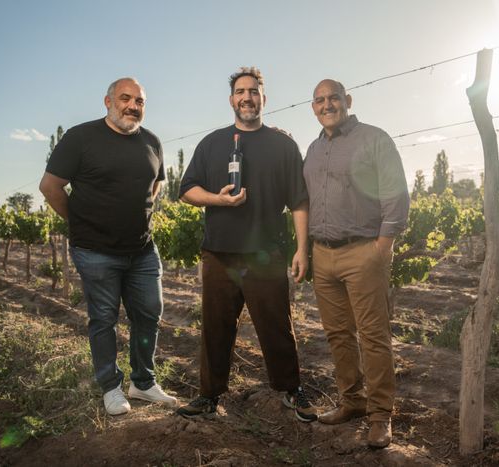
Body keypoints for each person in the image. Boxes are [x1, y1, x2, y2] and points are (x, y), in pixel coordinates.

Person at [176, 67, 316, 423]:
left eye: (253, 91)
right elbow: (187, 190)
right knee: (215, 327)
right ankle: (209, 395)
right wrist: (217, 200)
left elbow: (299, 201)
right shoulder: (212, 143)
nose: (247, 97)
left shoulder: (283, 145)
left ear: (263, 98)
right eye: (240, 92)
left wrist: (302, 249)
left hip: (266, 253)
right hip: (219, 252)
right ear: (231, 100)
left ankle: (291, 389)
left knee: (276, 326)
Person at [39, 77, 177, 416]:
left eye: (139, 101)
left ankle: (143, 382)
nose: (132, 106)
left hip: (142, 250)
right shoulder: (81, 138)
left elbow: (155, 186)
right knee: (103, 318)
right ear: (108, 101)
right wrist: (79, 222)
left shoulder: (152, 141)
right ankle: (111, 387)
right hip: (95, 250)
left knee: (149, 313)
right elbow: (50, 186)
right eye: (125, 98)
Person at [303, 79, 409, 448]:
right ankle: (352, 402)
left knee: (373, 335)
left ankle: (380, 415)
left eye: (333, 98)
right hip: (323, 254)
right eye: (320, 100)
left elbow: (396, 193)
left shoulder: (374, 138)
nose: (327, 105)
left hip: (363, 250)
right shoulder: (313, 149)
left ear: (347, 100)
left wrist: (383, 246)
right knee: (338, 335)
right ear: (313, 107)